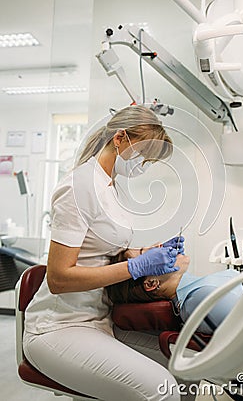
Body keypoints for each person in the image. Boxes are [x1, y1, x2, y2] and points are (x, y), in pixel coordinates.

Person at [23, 105, 191, 401]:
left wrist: (141, 252)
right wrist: (136, 267)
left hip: (99, 318)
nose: (145, 165)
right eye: (146, 156)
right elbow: (58, 279)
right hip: (58, 326)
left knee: (188, 370)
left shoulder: (110, 186)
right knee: (161, 391)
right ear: (120, 138)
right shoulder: (79, 187)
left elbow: (100, 248)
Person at [107, 253, 243, 335]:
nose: (163, 250)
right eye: (150, 256)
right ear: (151, 283)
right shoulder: (200, 299)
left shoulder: (200, 288)